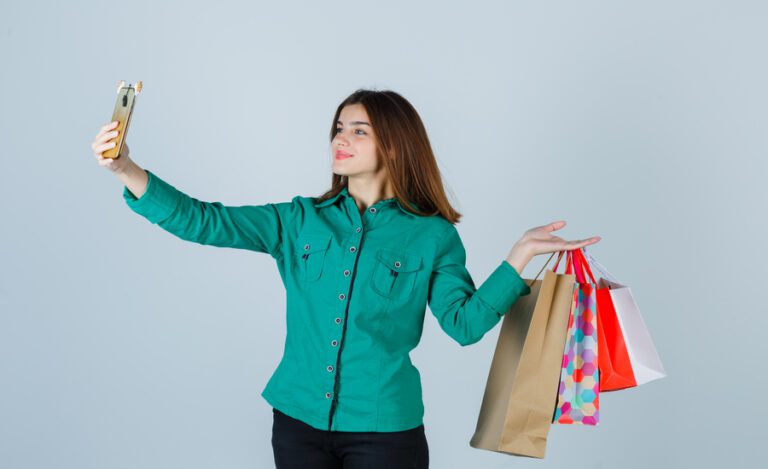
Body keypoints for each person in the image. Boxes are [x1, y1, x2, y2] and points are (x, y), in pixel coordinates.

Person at [90, 88, 601, 469]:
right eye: (339, 127)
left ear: (396, 146)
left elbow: (464, 325)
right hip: (296, 425)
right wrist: (125, 169)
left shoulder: (432, 238)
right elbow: (203, 220)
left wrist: (520, 256)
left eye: (359, 130)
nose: (341, 138)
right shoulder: (298, 220)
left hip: (385, 434)